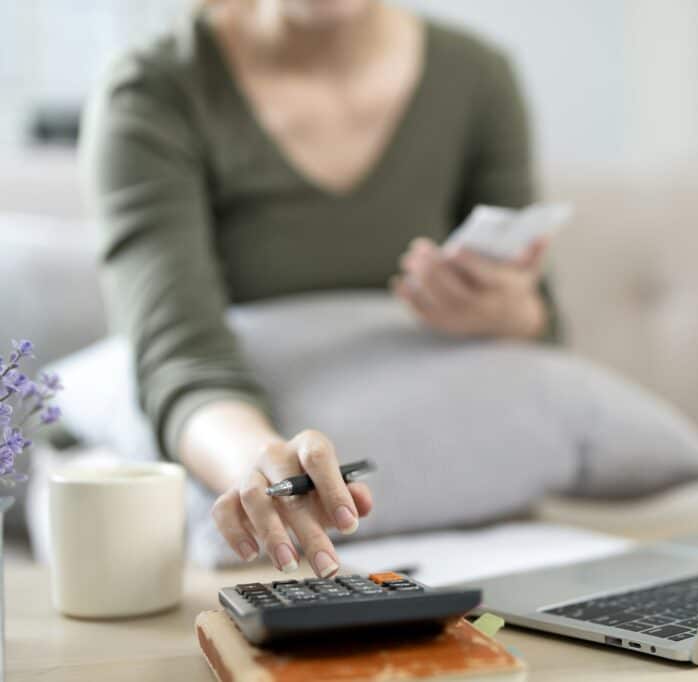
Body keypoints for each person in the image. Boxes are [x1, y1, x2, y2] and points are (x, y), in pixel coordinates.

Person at [82, 0, 557, 580]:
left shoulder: (476, 75)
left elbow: (545, 325)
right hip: (240, 433)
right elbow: (181, 358)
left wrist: (509, 313)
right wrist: (259, 466)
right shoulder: (155, 90)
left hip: (485, 517)